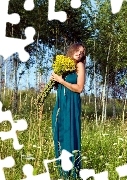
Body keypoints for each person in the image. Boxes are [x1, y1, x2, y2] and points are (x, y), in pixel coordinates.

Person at [51, 42, 86, 179]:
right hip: (60, 104)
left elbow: (79, 88)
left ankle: (72, 173)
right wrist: (54, 80)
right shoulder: (64, 65)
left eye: (82, 52)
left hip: (71, 104)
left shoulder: (79, 66)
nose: (80, 53)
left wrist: (61, 80)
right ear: (72, 50)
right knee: (59, 134)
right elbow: (58, 87)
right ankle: (62, 172)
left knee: (70, 134)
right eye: (78, 50)